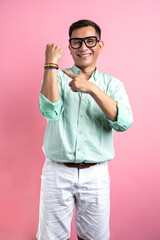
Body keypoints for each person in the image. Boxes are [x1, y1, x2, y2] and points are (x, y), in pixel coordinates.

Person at [37, 19, 133, 240]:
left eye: (90, 41)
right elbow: (49, 111)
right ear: (69, 47)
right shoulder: (57, 77)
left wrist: (91, 88)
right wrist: (50, 63)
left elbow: (124, 123)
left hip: (96, 174)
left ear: (99, 45)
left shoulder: (113, 85)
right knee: (50, 237)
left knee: (94, 237)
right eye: (76, 42)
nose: (83, 47)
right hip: (57, 171)